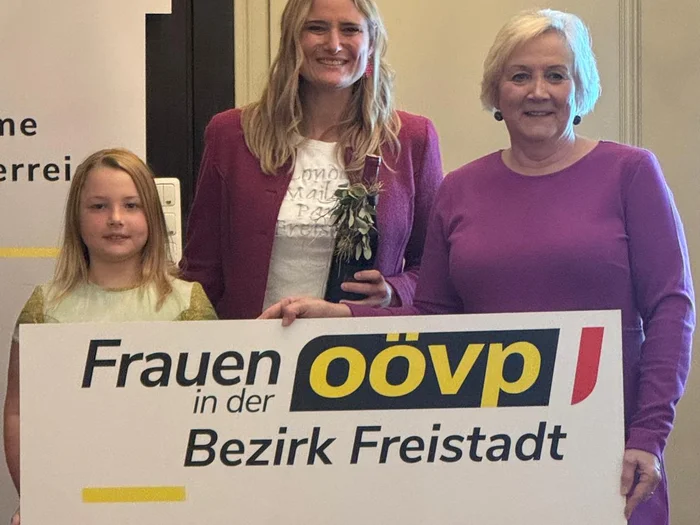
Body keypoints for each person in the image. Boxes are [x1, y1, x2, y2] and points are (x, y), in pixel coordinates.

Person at [261, 9, 695, 525]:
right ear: (496, 92)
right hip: (488, 449)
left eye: (556, 75)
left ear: (580, 88)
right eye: (520, 75)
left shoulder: (631, 173)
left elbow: (671, 310)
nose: (538, 91)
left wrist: (648, 434)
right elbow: (433, 317)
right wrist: (340, 316)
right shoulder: (460, 189)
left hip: (607, 447)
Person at [180, 0, 443, 319]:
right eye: (316, 28)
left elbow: (435, 271)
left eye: (350, 29)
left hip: (359, 346)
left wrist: (393, 291)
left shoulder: (411, 139)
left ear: (371, 43)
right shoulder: (231, 135)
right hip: (250, 345)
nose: (334, 44)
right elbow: (201, 271)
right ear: (292, 38)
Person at [4, 148, 217, 525]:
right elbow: (19, 413)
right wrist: (34, 496)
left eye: (131, 205)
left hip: (171, 500)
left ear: (152, 216)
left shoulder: (188, 304)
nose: (116, 219)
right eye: (99, 206)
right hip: (73, 499)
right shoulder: (45, 308)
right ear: (77, 218)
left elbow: (214, 413)